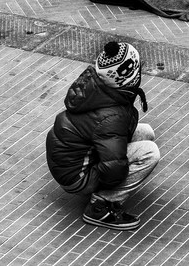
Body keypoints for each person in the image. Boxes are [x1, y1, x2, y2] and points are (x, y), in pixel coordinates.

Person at [45, 41, 160, 230]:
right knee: (149, 153)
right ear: (128, 76)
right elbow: (113, 168)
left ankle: (101, 188)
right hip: (77, 176)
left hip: (71, 159)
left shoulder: (101, 86)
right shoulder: (112, 115)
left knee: (146, 132)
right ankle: (100, 206)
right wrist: (124, 172)